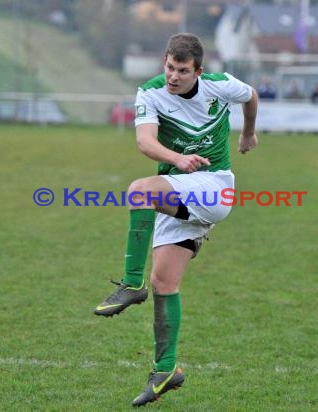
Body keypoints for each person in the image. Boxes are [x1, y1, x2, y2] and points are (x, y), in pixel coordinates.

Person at [93, 33, 258, 407]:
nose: (173, 76)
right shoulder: (150, 93)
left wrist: (248, 132)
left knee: (139, 191)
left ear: (198, 71)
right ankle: (165, 370)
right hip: (179, 189)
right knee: (164, 282)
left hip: (214, 186)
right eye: (169, 67)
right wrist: (177, 158)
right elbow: (145, 143)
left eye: (182, 71)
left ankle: (130, 285)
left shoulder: (218, 85)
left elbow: (250, 96)